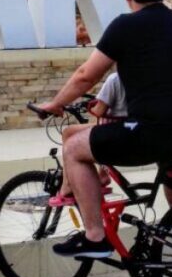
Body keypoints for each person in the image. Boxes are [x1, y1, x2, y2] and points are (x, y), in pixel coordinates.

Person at [36, 0, 172, 258]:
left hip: (154, 134)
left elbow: (86, 75)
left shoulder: (125, 26)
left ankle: (95, 237)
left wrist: (56, 104)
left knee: (74, 149)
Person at [48, 72, 127, 207]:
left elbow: (99, 110)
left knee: (68, 133)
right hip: (131, 126)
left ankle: (67, 185)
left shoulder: (115, 79)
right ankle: (102, 175)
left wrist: (89, 106)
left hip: (114, 129)